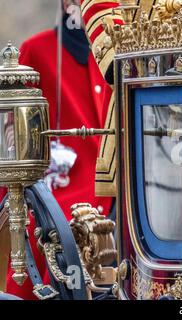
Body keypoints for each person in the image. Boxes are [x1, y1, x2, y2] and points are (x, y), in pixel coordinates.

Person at [0, 0, 113, 299]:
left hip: (120, 201)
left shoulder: (122, 53)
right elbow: (14, 143)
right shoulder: (36, 51)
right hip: (58, 206)